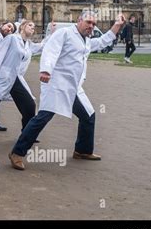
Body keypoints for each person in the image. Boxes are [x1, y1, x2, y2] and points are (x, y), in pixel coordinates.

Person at [8, 11, 126, 171]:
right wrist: (46, 70)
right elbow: (51, 50)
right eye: (88, 22)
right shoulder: (65, 33)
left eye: (93, 24)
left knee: (88, 115)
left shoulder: (86, 40)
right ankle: (17, 153)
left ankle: (82, 150)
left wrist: (117, 26)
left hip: (74, 87)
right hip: (56, 84)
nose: (91, 26)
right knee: (42, 118)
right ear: (79, 21)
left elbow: (102, 41)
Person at [0, 20, 53, 137]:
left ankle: (27, 134)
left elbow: (43, 47)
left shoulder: (28, 44)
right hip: (3, 76)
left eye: (34, 26)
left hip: (15, 79)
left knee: (29, 105)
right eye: (30, 25)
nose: (33, 28)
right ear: (22, 27)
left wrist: (50, 33)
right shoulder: (12, 39)